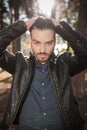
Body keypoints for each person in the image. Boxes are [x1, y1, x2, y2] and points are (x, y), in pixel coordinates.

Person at [0, 17, 87, 130]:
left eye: (48, 43)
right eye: (37, 42)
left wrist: (61, 28)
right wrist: (23, 26)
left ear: (55, 42)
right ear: (30, 41)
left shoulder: (65, 64)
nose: (42, 50)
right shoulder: (18, 64)